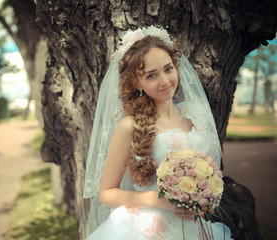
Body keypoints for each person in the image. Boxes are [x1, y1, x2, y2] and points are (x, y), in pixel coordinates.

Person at [83, 26, 233, 240]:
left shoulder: (195, 119)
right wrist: (156, 199)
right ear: (137, 82)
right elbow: (106, 193)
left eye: (168, 69)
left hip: (194, 228)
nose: (164, 81)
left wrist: (202, 196)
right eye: (151, 75)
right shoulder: (131, 126)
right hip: (147, 229)